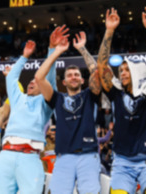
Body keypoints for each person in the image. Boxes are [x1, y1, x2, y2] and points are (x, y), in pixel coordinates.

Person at [97, 7, 146, 194]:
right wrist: (109, 30)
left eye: (127, 69)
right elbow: (102, 66)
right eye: (121, 70)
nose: (122, 73)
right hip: (122, 161)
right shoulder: (116, 92)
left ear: (137, 71)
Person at [0, 26, 68, 194]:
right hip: (6, 155)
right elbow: (11, 77)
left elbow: (49, 78)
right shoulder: (17, 97)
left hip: (31, 156)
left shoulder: (45, 102)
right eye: (30, 82)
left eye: (36, 81)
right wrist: (24, 56)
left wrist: (52, 50)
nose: (32, 82)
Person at [35, 30, 101, 194]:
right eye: (70, 75)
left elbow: (97, 72)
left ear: (82, 80)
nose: (73, 77)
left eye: (77, 74)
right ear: (64, 81)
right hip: (64, 157)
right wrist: (56, 51)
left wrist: (82, 49)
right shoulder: (57, 98)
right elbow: (39, 78)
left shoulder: (89, 95)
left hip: (88, 155)